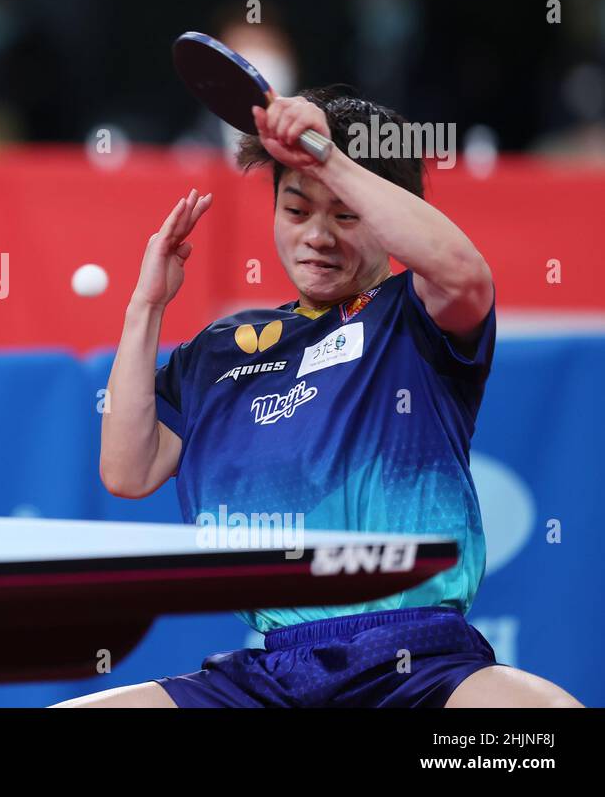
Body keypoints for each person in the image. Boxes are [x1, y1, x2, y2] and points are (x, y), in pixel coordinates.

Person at [57, 88, 582, 708]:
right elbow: (127, 469)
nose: (317, 237)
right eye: (297, 210)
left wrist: (327, 157)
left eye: (345, 214)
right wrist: (146, 307)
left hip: (417, 664)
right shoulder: (222, 350)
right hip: (270, 676)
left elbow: (465, 274)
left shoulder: (416, 316)